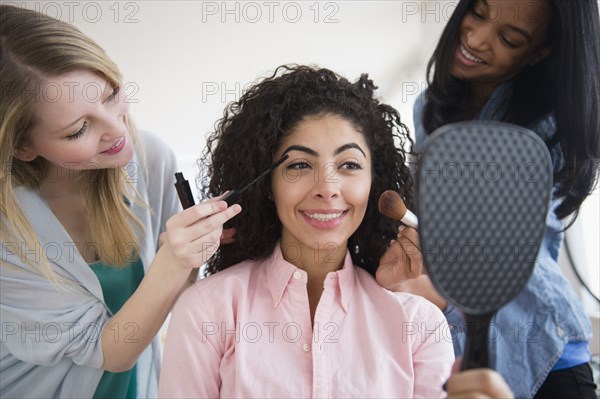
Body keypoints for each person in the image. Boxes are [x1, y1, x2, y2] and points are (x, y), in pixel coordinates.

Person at [158, 65, 455, 398]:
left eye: (349, 165)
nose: (327, 188)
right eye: (299, 165)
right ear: (267, 183)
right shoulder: (207, 310)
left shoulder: (419, 324)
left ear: (375, 183)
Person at [0, 5, 241, 398]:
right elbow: (110, 351)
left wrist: (190, 258)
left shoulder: (150, 158)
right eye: (79, 129)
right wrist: (174, 262)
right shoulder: (8, 232)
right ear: (24, 147)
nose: (118, 130)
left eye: (112, 94)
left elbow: (169, 302)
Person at [377, 0, 600, 397]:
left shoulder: (546, 130)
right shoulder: (430, 106)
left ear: (540, 51)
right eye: (477, 14)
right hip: (466, 339)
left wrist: (421, 287)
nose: (476, 40)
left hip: (545, 343)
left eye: (510, 39)